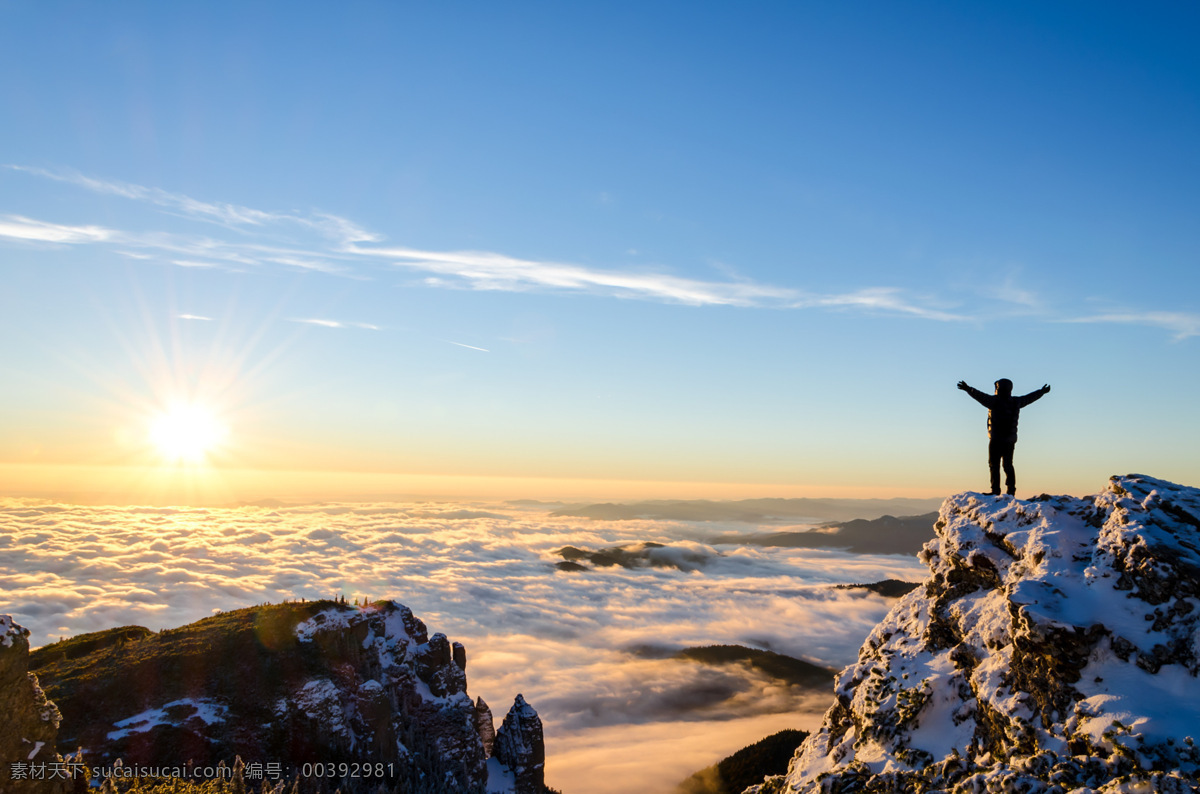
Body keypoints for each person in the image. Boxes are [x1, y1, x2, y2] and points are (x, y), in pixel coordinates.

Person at [957, 378, 1050, 496]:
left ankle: (995, 490)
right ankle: (1011, 491)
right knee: (1008, 464)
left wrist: (968, 389)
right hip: (1010, 440)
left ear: (998, 388)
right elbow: (1029, 398)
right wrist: (1041, 392)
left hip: (996, 439)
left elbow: (980, 396)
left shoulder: (994, 401)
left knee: (994, 465)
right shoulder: (1016, 402)